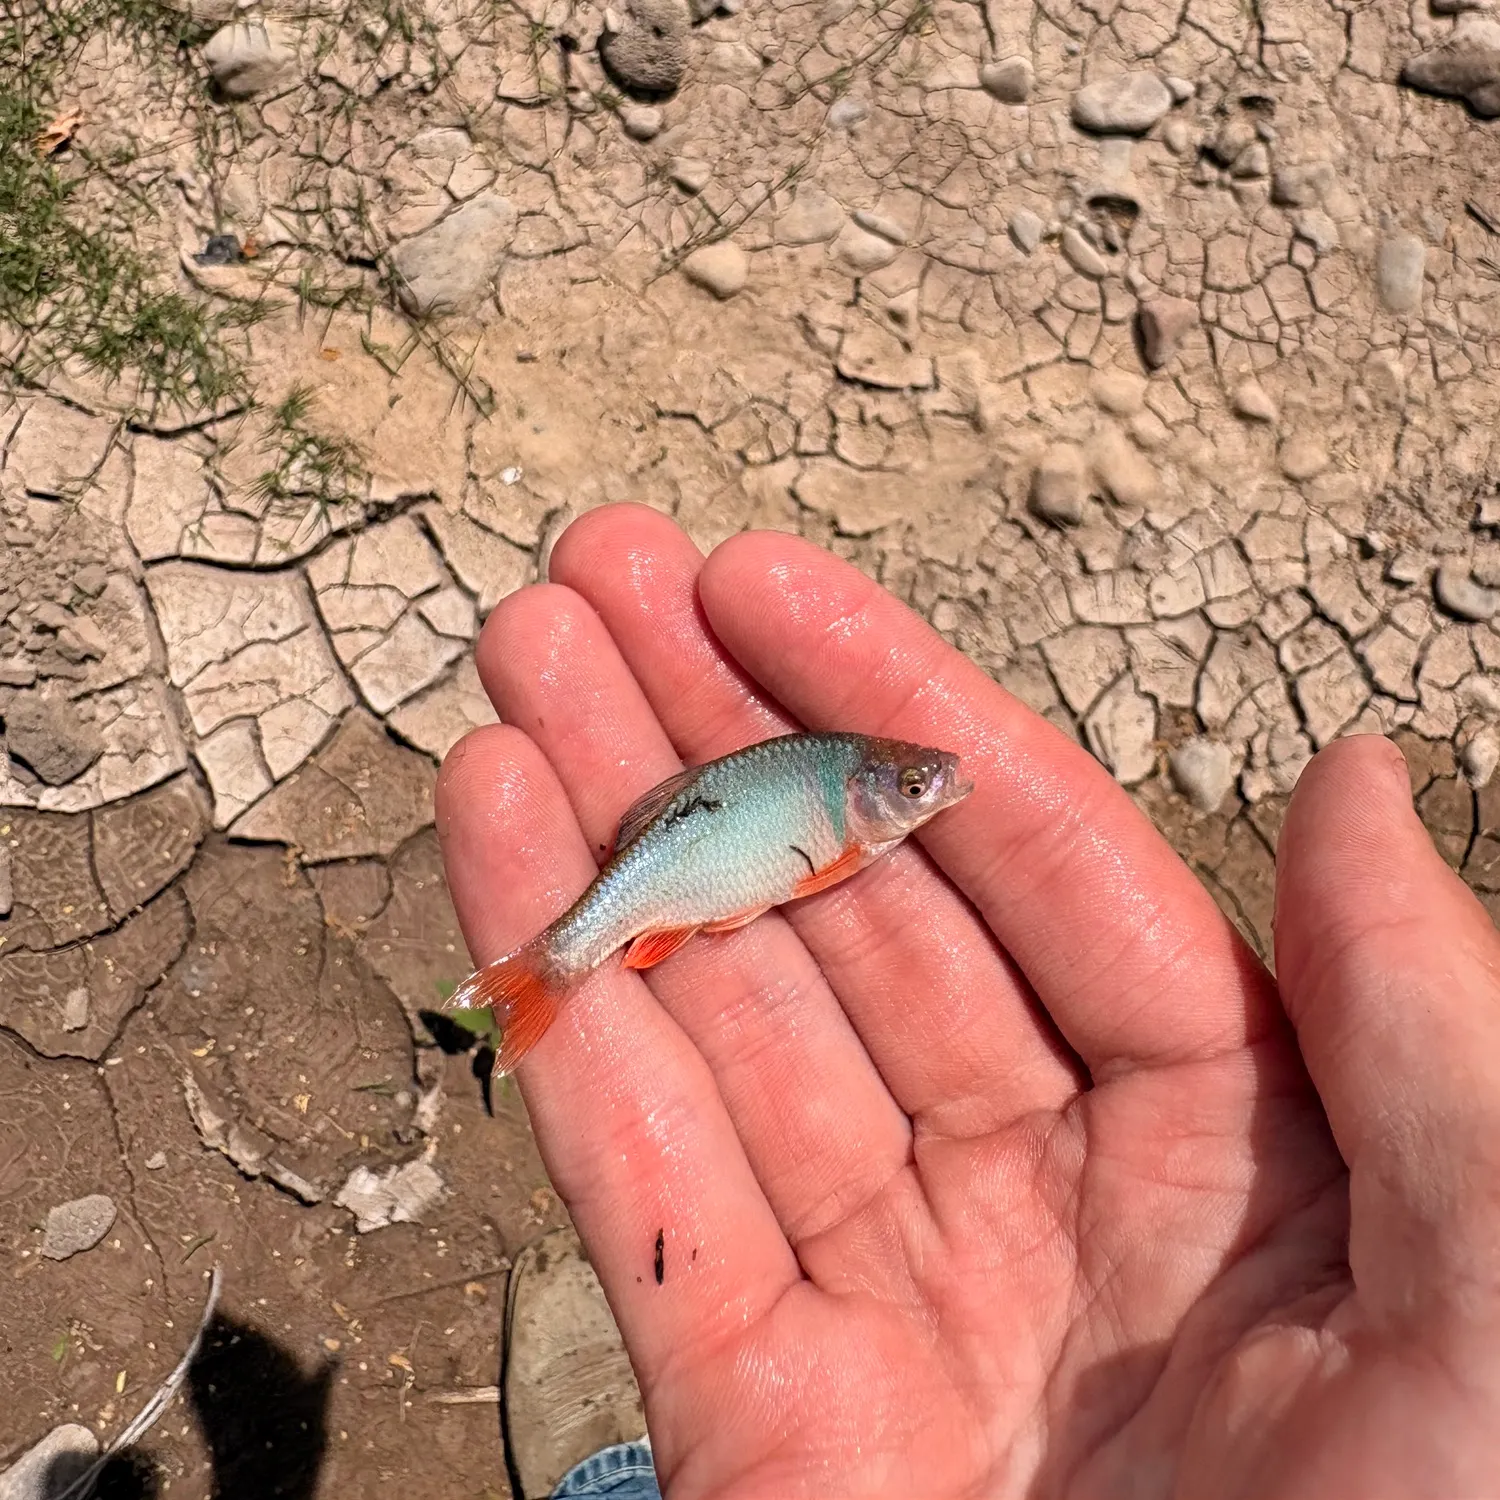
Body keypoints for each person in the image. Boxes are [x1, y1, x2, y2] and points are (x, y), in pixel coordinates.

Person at [436, 502, 1500, 1500]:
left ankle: (618, 1478)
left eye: (917, 784)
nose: (932, 791)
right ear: (858, 792)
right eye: (909, 786)